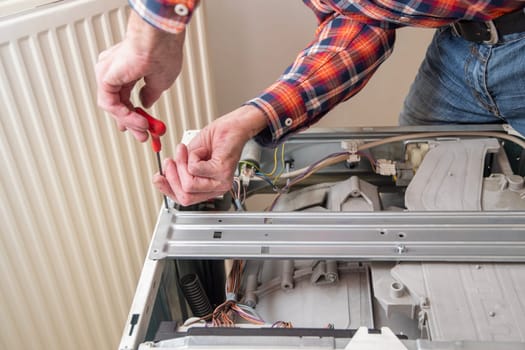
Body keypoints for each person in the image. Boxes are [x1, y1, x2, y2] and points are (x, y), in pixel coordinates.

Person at [96, 0, 525, 206]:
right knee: (420, 190)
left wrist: (152, 30)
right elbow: (360, 20)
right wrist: (254, 116)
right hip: (463, 44)